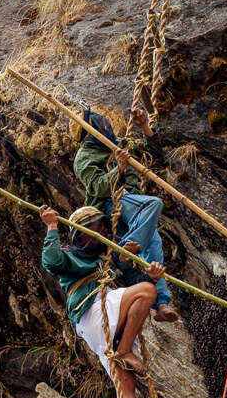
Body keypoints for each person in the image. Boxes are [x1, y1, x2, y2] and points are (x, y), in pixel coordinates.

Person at [39, 203, 173, 398]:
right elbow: (51, 261)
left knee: (124, 381)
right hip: (91, 310)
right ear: (77, 236)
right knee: (146, 292)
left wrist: (149, 274)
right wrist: (51, 226)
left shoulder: (108, 257)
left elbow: (135, 282)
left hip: (103, 317)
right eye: (89, 230)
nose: (97, 233)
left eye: (100, 228)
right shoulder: (68, 255)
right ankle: (123, 349)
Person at [72, 107, 180, 324]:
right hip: (112, 205)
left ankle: (160, 304)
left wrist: (144, 126)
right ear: (90, 131)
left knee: (154, 243)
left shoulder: (118, 143)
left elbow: (154, 155)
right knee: (153, 205)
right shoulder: (83, 158)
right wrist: (118, 169)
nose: (106, 125)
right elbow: (98, 187)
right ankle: (132, 244)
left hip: (132, 207)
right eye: (98, 123)